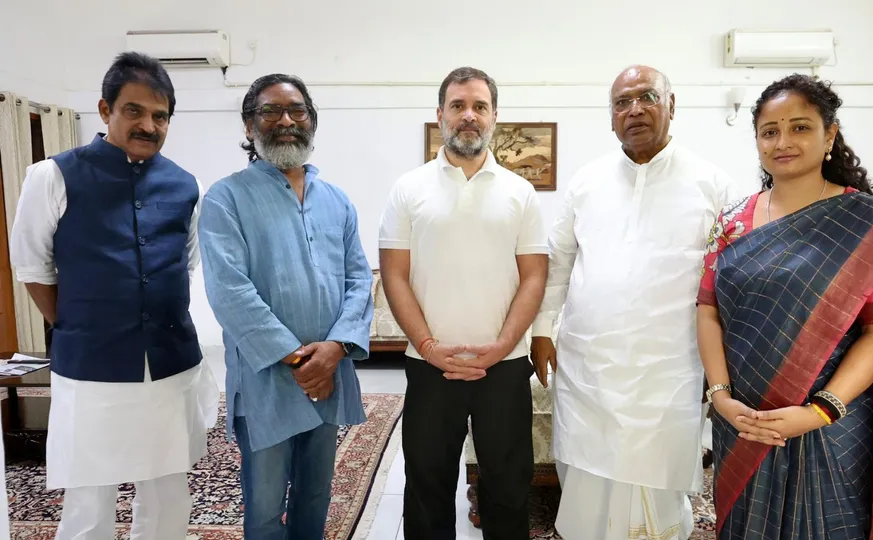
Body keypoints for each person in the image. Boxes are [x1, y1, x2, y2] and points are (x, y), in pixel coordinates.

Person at [696, 73, 873, 540]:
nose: (783, 141)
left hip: (831, 418)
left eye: (800, 127)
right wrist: (721, 397)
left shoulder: (867, 224)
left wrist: (820, 411)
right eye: (770, 131)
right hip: (743, 415)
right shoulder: (732, 221)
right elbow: (708, 310)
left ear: (830, 135)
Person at [8, 51, 219, 539]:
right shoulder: (53, 176)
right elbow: (32, 266)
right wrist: (78, 323)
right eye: (134, 111)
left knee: (168, 490)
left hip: (170, 365)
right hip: (91, 368)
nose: (149, 124)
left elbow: (185, 264)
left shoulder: (188, 185)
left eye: (160, 115)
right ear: (105, 110)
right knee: (89, 497)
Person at [529, 65, 736, 540]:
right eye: (622, 102)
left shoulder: (713, 184)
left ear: (671, 105)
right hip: (589, 364)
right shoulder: (586, 181)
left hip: (669, 366)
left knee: (657, 477)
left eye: (647, 97)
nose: (635, 109)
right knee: (585, 475)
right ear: (611, 117)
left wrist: (720, 366)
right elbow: (558, 263)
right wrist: (543, 331)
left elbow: (728, 281)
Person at [198, 73, 374, 539]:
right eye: (271, 112)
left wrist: (335, 348)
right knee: (264, 505)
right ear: (248, 125)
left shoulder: (336, 201)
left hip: (329, 373)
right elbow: (229, 291)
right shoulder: (226, 198)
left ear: (312, 120)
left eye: (297, 111)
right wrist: (298, 359)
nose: (286, 121)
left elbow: (359, 278)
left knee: (316, 494)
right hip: (268, 380)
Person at [378, 66, 548, 540]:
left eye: (479, 106)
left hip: (506, 366)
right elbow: (394, 274)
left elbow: (535, 276)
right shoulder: (408, 189)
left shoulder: (521, 192)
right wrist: (429, 347)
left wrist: (503, 345)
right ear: (440, 115)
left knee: (508, 488)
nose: (468, 115)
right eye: (458, 105)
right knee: (427, 489)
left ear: (495, 117)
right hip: (431, 367)